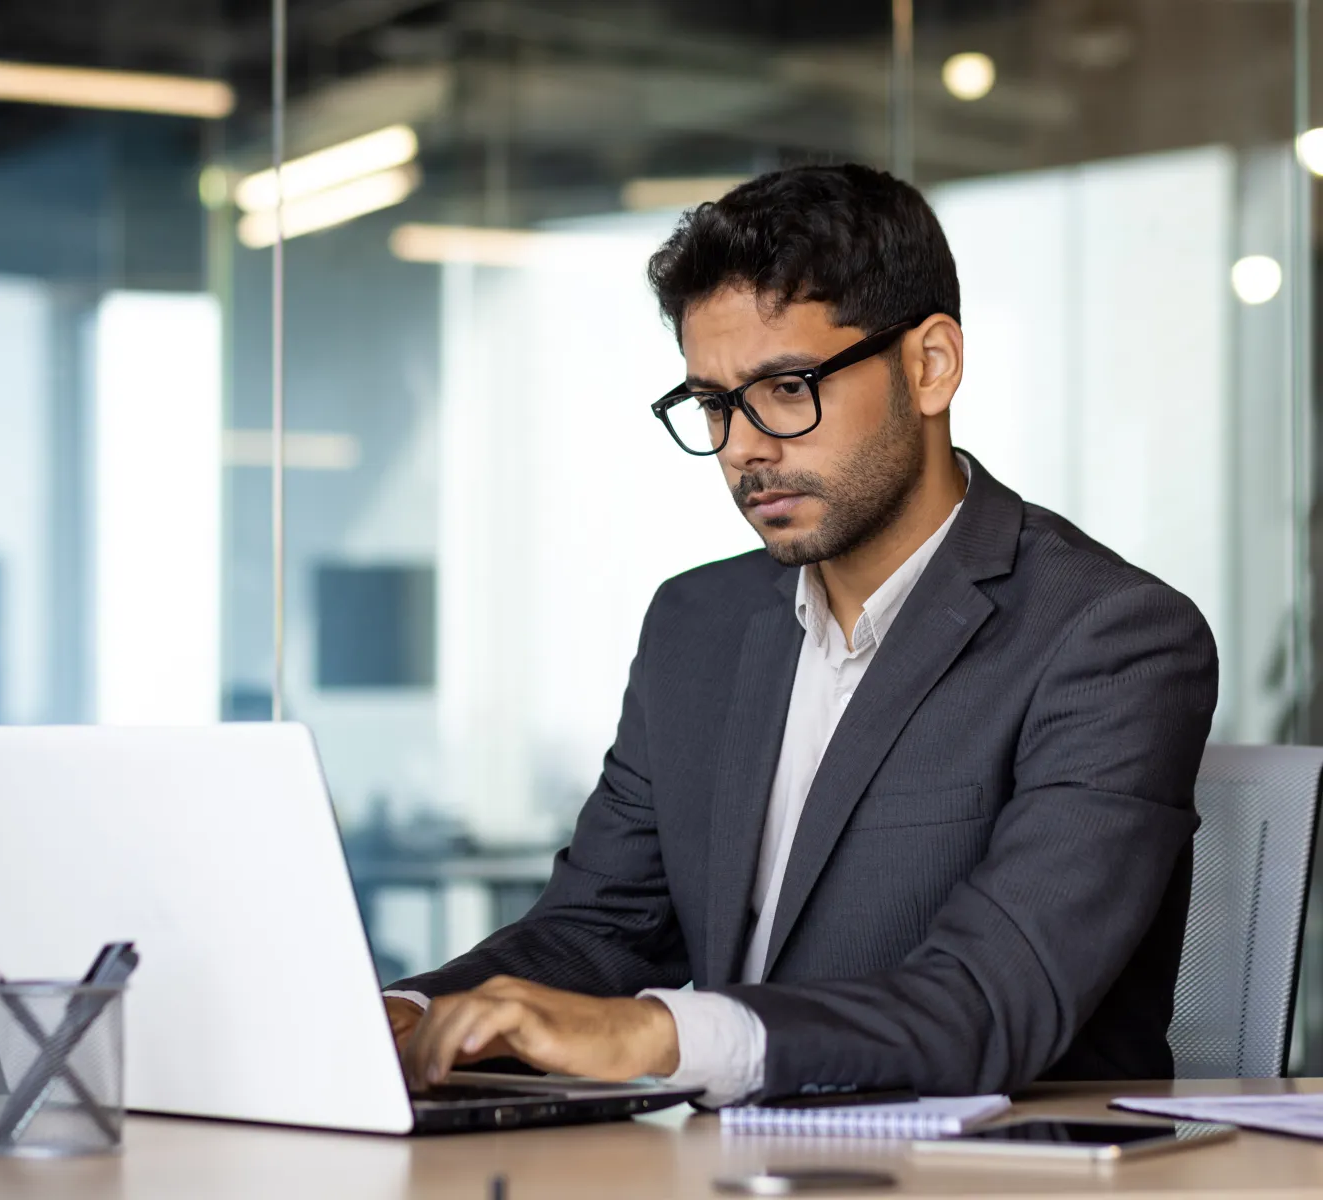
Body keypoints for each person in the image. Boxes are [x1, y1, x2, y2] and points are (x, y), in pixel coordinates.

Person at [384, 163, 1219, 1106]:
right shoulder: (695, 626)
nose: (743, 446)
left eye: (787, 387)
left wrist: (658, 1032)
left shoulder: (1110, 639)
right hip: (743, 1165)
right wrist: (406, 1013)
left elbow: (989, 1002)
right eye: (713, 403)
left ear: (930, 364)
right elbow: (599, 929)